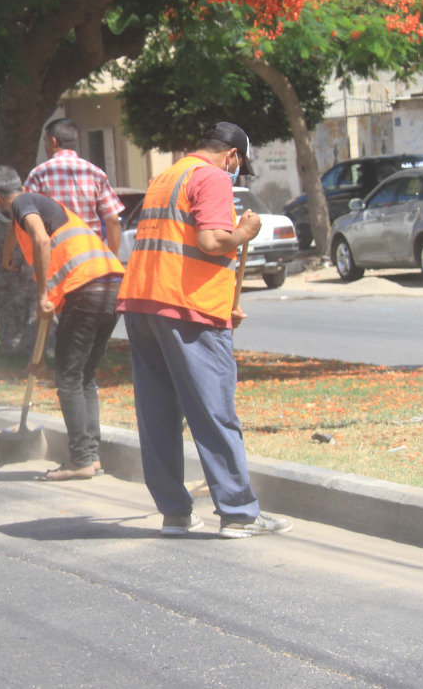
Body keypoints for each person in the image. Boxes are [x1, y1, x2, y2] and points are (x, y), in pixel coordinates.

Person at [117, 122, 292, 539]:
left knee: (157, 412)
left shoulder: (167, 176)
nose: (236, 173)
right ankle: (238, 513)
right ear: (232, 156)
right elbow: (213, 241)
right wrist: (245, 232)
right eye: (239, 166)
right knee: (213, 409)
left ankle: (175, 513)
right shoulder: (212, 177)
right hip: (184, 310)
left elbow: (179, 249)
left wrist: (222, 305)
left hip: (144, 304)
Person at [0, 166, 125, 481]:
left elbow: (40, 239)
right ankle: (91, 455)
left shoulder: (22, 205)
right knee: (83, 376)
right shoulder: (33, 204)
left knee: (69, 379)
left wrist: (41, 295)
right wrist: (8, 251)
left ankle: (79, 460)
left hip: (85, 289)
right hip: (112, 286)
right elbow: (23, 227)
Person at [1, 118, 124, 269]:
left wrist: (7, 252)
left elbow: (20, 215)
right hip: (92, 257)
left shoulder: (39, 174)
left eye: (45, 142)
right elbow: (112, 220)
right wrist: (113, 258)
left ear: (53, 142)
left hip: (56, 260)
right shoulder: (95, 173)